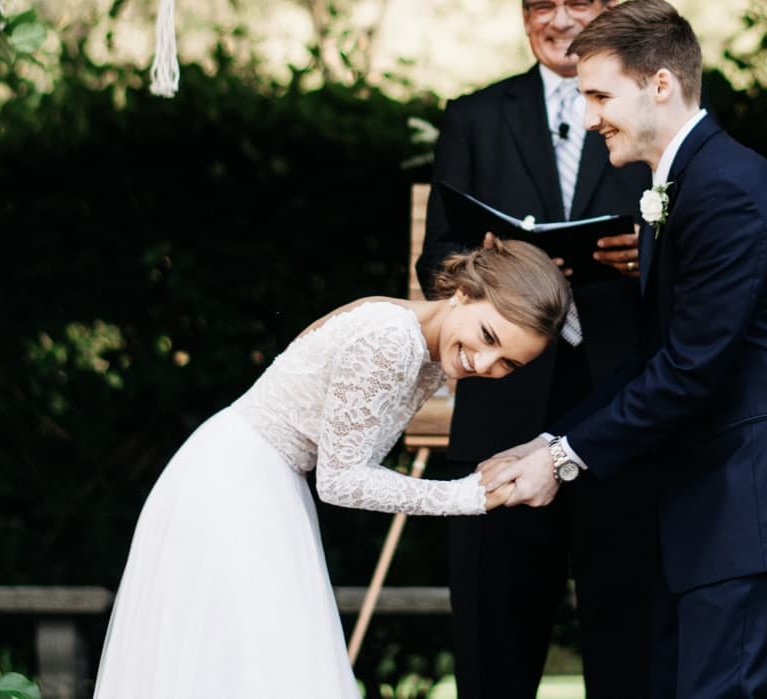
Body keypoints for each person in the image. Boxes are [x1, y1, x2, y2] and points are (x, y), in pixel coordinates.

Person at [480, 0, 767, 699]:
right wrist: (547, 440)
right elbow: (654, 358)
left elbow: (692, 369)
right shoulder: (675, 186)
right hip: (708, 498)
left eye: (599, 94)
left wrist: (561, 463)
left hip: (749, 492)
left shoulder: (726, 192)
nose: (589, 117)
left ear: (660, 83)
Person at [92, 241, 569, 698]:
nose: (483, 363)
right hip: (234, 486)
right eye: (487, 336)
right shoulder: (392, 339)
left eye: (507, 362)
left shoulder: (424, 347)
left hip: (262, 479)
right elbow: (341, 480)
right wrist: (467, 497)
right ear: (463, 293)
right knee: (251, 664)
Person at [418, 0, 655, 699]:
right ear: (524, 15)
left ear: (609, 5)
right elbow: (434, 265)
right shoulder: (475, 117)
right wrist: (492, 270)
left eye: (578, 0)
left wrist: (642, 255)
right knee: (494, 644)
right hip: (502, 416)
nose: (560, 18)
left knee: (630, 639)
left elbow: (702, 253)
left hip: (622, 409)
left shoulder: (651, 112)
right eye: (542, 3)